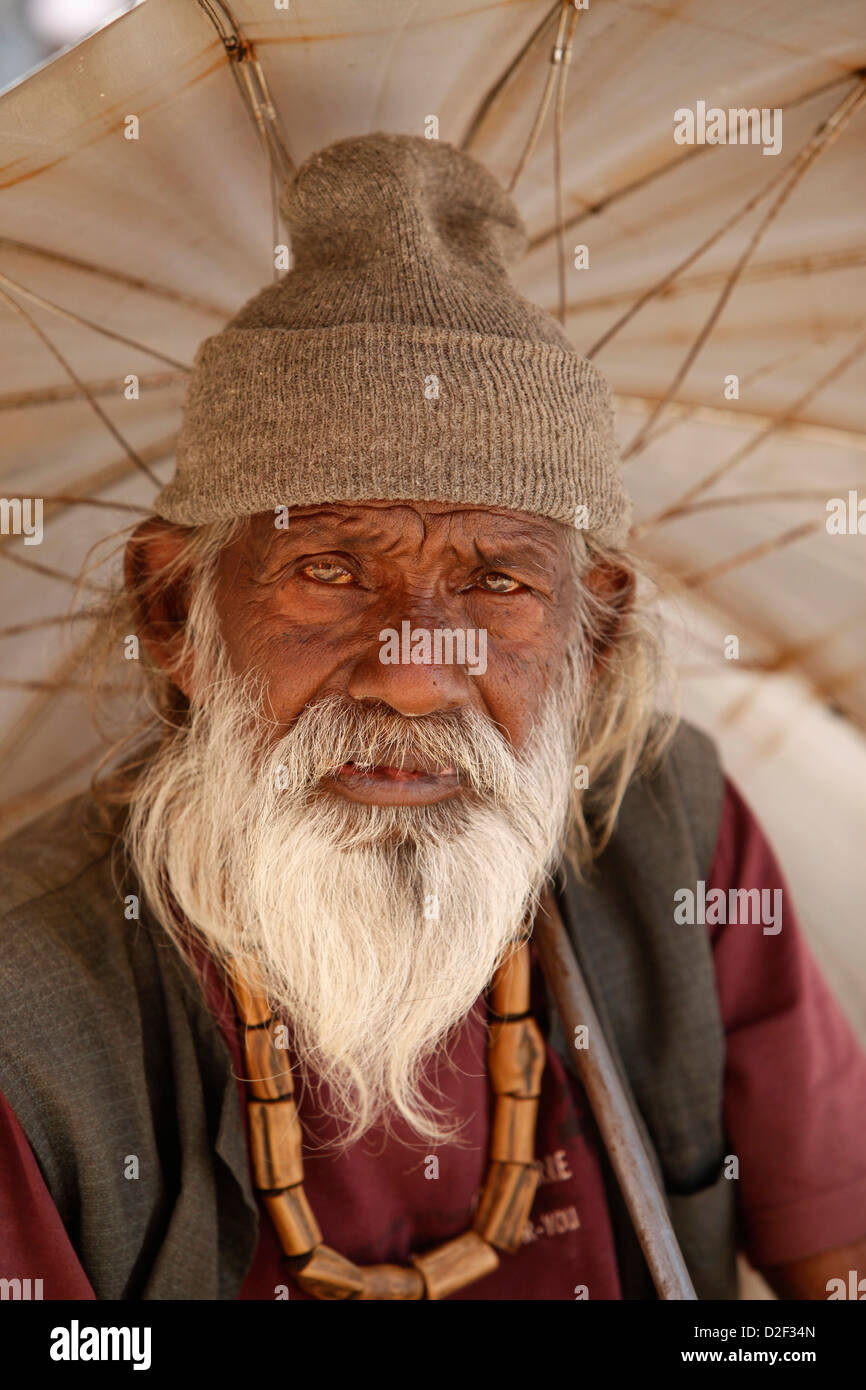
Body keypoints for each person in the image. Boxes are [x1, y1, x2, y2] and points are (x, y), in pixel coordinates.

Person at [1, 132, 864, 1302]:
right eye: (330, 570)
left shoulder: (670, 830)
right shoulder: (28, 1012)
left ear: (593, 638)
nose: (412, 673)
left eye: (497, 582)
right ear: (172, 609)